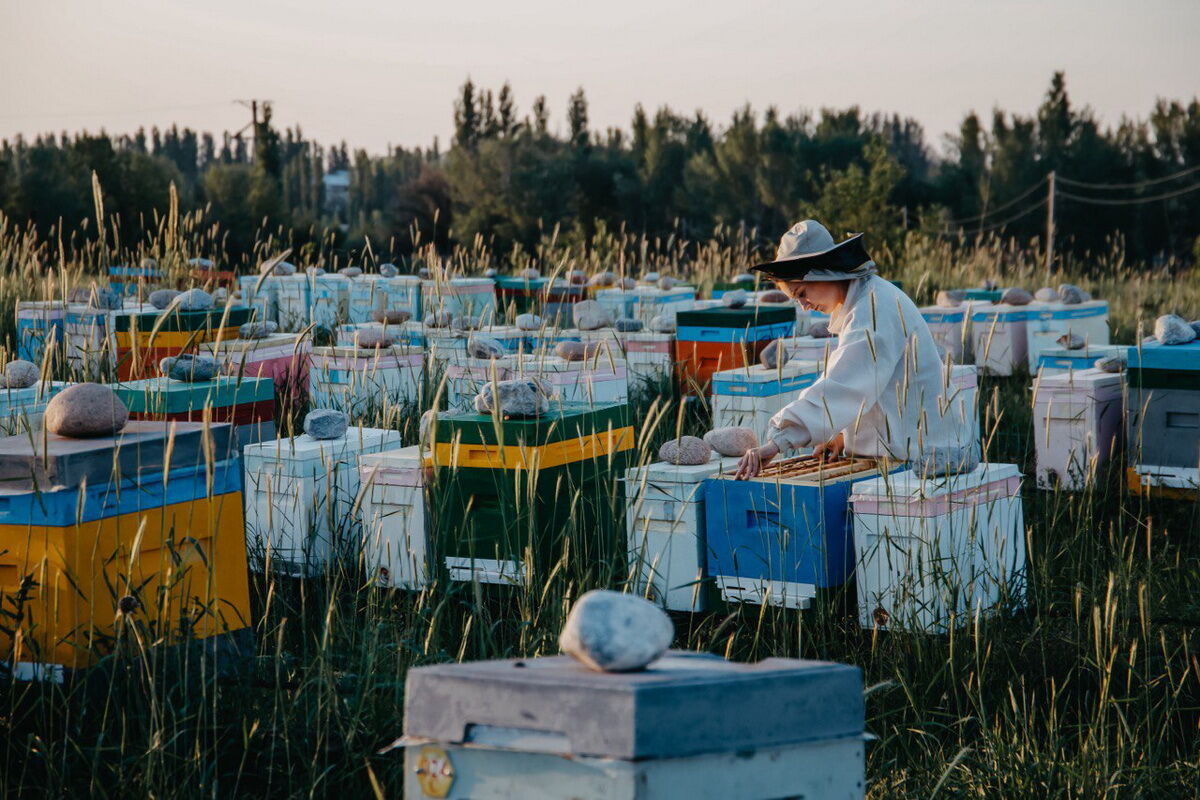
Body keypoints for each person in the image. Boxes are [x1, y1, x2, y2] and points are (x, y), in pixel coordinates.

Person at [735, 220, 976, 480]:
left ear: (822, 272)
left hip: (923, 461)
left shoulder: (873, 309)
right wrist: (842, 436)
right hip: (904, 453)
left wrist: (779, 440)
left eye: (802, 293)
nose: (804, 306)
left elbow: (844, 385)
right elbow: (871, 385)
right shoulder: (864, 301)